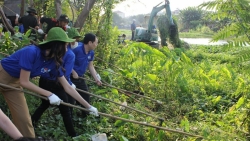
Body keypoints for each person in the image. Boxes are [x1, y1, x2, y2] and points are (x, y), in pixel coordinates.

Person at [0, 27, 98, 138]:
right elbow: (25, 82)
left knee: (24, 119)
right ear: (57, 45)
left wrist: (88, 106)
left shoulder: (54, 62)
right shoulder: (31, 52)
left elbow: (67, 86)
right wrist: (49, 94)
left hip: (14, 83)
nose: (67, 49)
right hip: (2, 74)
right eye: (65, 46)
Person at [31, 28, 80, 138]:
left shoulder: (50, 54)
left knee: (44, 104)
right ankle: (73, 135)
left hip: (43, 81)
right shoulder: (69, 55)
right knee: (65, 110)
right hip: (57, 84)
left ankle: (32, 122)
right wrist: (68, 83)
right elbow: (65, 74)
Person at [70, 33, 102, 118]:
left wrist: (96, 79)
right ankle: (70, 117)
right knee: (71, 99)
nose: (97, 44)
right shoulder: (77, 50)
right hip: (70, 77)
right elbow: (66, 62)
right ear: (90, 42)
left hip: (80, 77)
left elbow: (90, 66)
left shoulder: (91, 52)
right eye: (96, 42)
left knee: (86, 96)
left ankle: (84, 116)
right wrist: (73, 72)